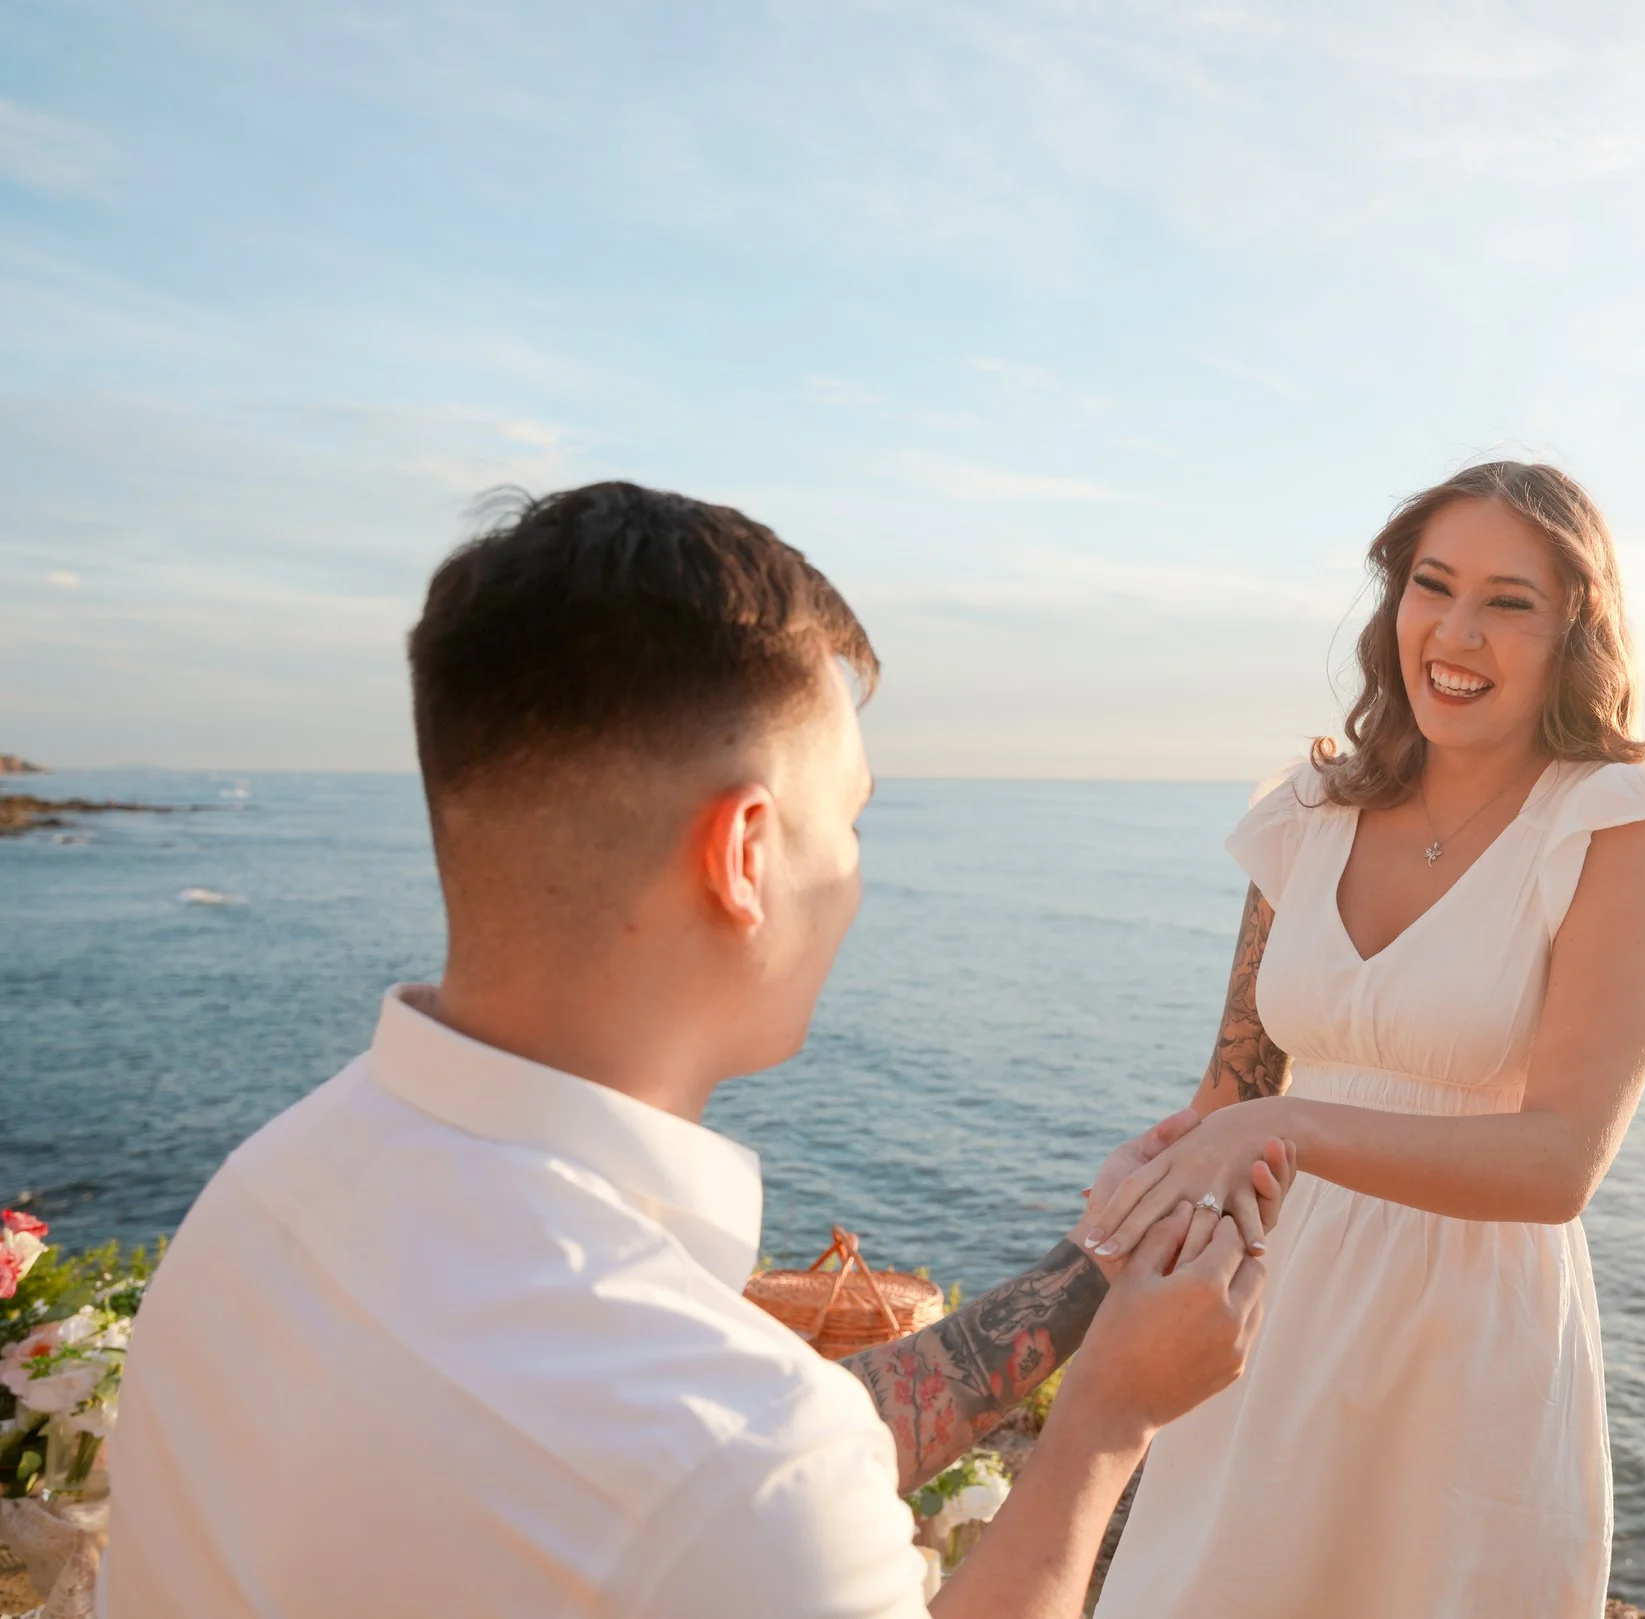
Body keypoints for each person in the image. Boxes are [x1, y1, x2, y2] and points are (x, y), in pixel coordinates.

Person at [101, 482, 1293, 1619]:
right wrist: (1100, 1424)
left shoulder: (265, 1191)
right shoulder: (734, 1453)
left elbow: (716, 1469)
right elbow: (740, 1471)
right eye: (853, 819)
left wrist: (1092, 1268)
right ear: (745, 852)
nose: (859, 874)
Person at [1083, 461, 1645, 1618]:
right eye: (1432, 585)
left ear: (1575, 630)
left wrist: (1280, 1124)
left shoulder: (1618, 828)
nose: (1457, 630)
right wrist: (1148, 1185)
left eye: (1509, 600)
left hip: (1463, 1344)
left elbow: (1560, 1164)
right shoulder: (1305, 813)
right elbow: (1232, 1087)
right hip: (1257, 1317)